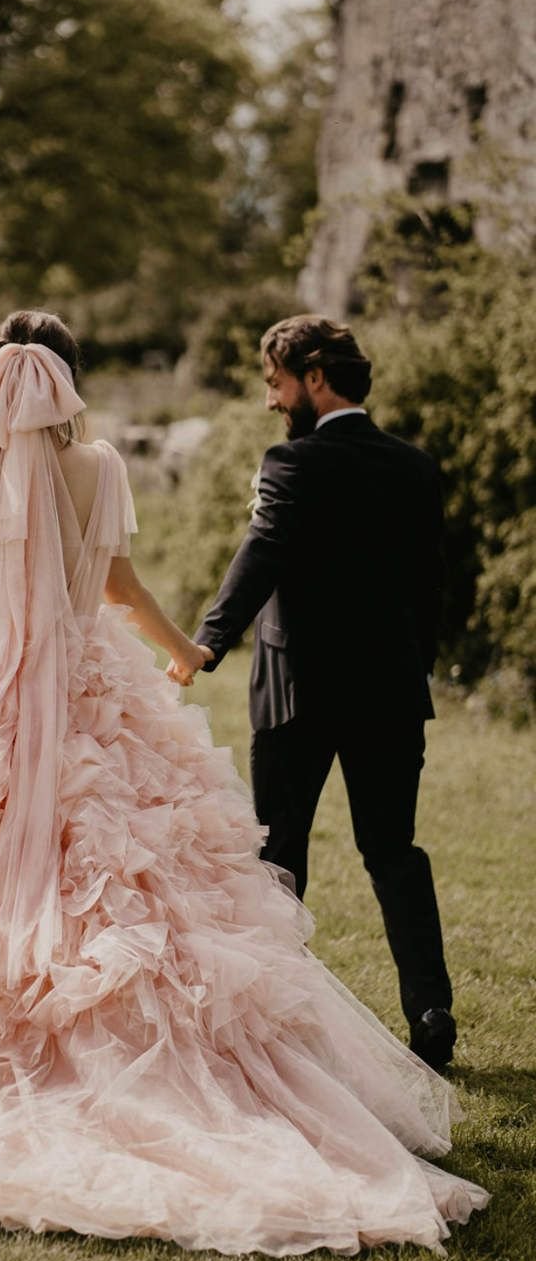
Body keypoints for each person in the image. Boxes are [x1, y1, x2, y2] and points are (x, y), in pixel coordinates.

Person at [0, 310, 488, 1256]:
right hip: (97, 689)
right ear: (70, 381)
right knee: (136, 871)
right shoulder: (98, 465)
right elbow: (119, 591)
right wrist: (187, 651)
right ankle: (215, 1057)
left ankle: (1, 1051)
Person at [188, 315, 457, 1073]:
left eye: (274, 382)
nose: (271, 400)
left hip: (297, 692)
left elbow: (263, 550)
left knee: (278, 855)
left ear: (312, 376)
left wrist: (209, 639)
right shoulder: (415, 466)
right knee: (393, 850)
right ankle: (431, 1008)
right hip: (391, 692)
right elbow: (431, 586)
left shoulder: (292, 464)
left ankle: (278, 1022)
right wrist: (415, 665)